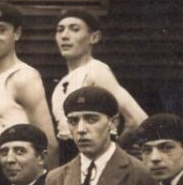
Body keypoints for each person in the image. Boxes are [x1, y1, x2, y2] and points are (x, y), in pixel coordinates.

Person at [50, 9, 148, 163]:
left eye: (74, 29)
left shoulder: (96, 71)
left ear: (94, 37)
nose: (65, 36)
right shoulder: (61, 84)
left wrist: (113, 152)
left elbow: (138, 119)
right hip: (70, 160)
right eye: (60, 30)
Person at [0, 2, 58, 171]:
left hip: (21, 168)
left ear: (17, 34)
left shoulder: (23, 77)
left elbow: (49, 143)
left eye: (1, 29)